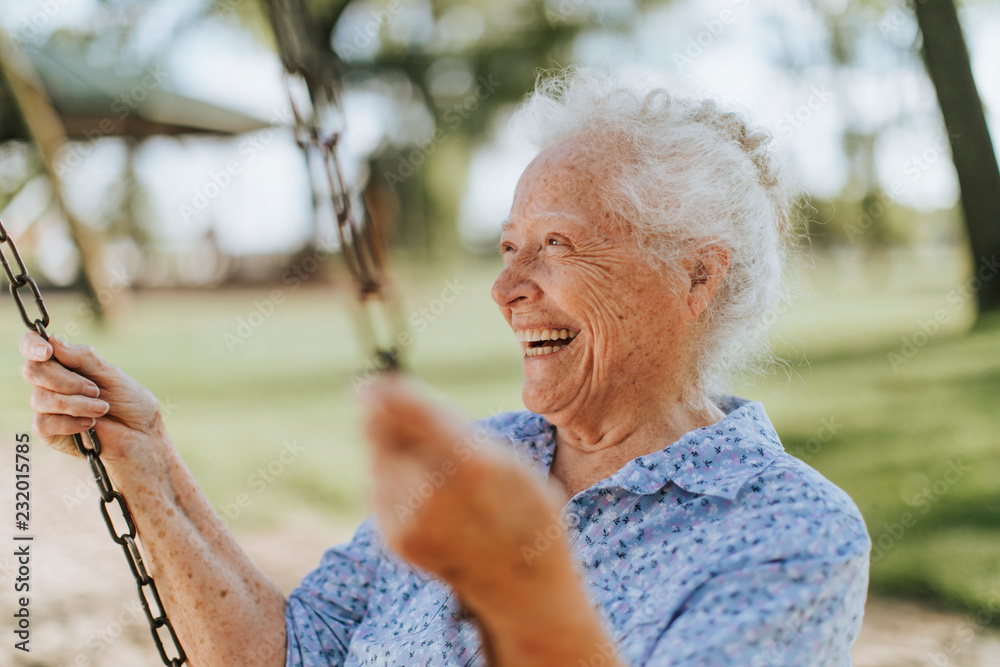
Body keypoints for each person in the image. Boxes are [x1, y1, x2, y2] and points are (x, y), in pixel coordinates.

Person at [19, 68, 870, 666]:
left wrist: (513, 583)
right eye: (506, 249)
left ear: (694, 275)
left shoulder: (788, 534)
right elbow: (295, 653)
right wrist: (150, 465)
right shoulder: (478, 456)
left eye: (556, 246)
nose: (505, 289)